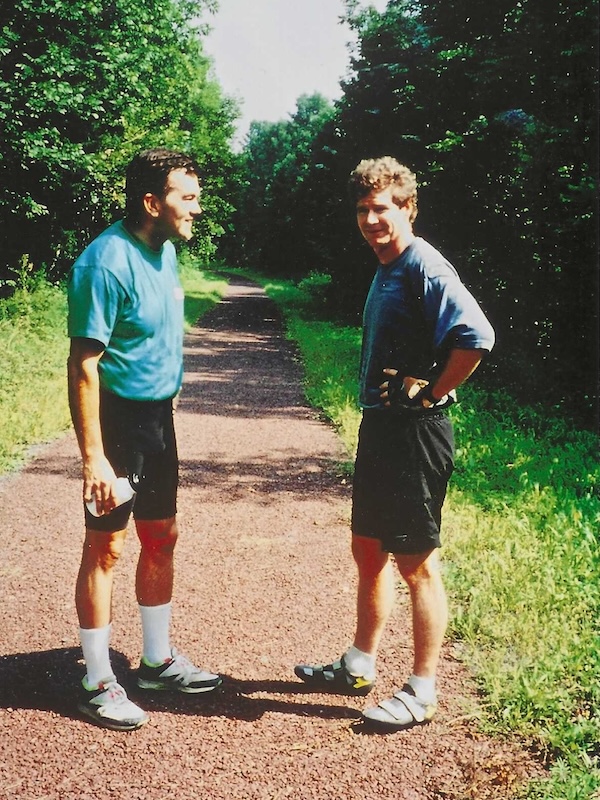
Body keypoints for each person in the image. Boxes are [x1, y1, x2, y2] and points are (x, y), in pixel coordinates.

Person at [294, 156, 495, 732]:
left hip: (415, 434)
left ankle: (423, 689)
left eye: (381, 208)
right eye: (362, 209)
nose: (370, 219)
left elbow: (476, 336)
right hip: (382, 426)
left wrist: (433, 391)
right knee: (368, 552)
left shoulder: (423, 264)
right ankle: (357, 664)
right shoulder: (387, 267)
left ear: (406, 208)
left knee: (417, 564)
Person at [67, 148, 221, 731]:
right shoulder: (104, 263)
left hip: (159, 420)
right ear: (152, 202)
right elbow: (84, 365)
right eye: (188, 197)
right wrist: (94, 461)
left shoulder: (167, 250)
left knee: (161, 536)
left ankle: (155, 661)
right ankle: (96, 678)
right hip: (118, 424)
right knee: (105, 548)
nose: (197, 208)